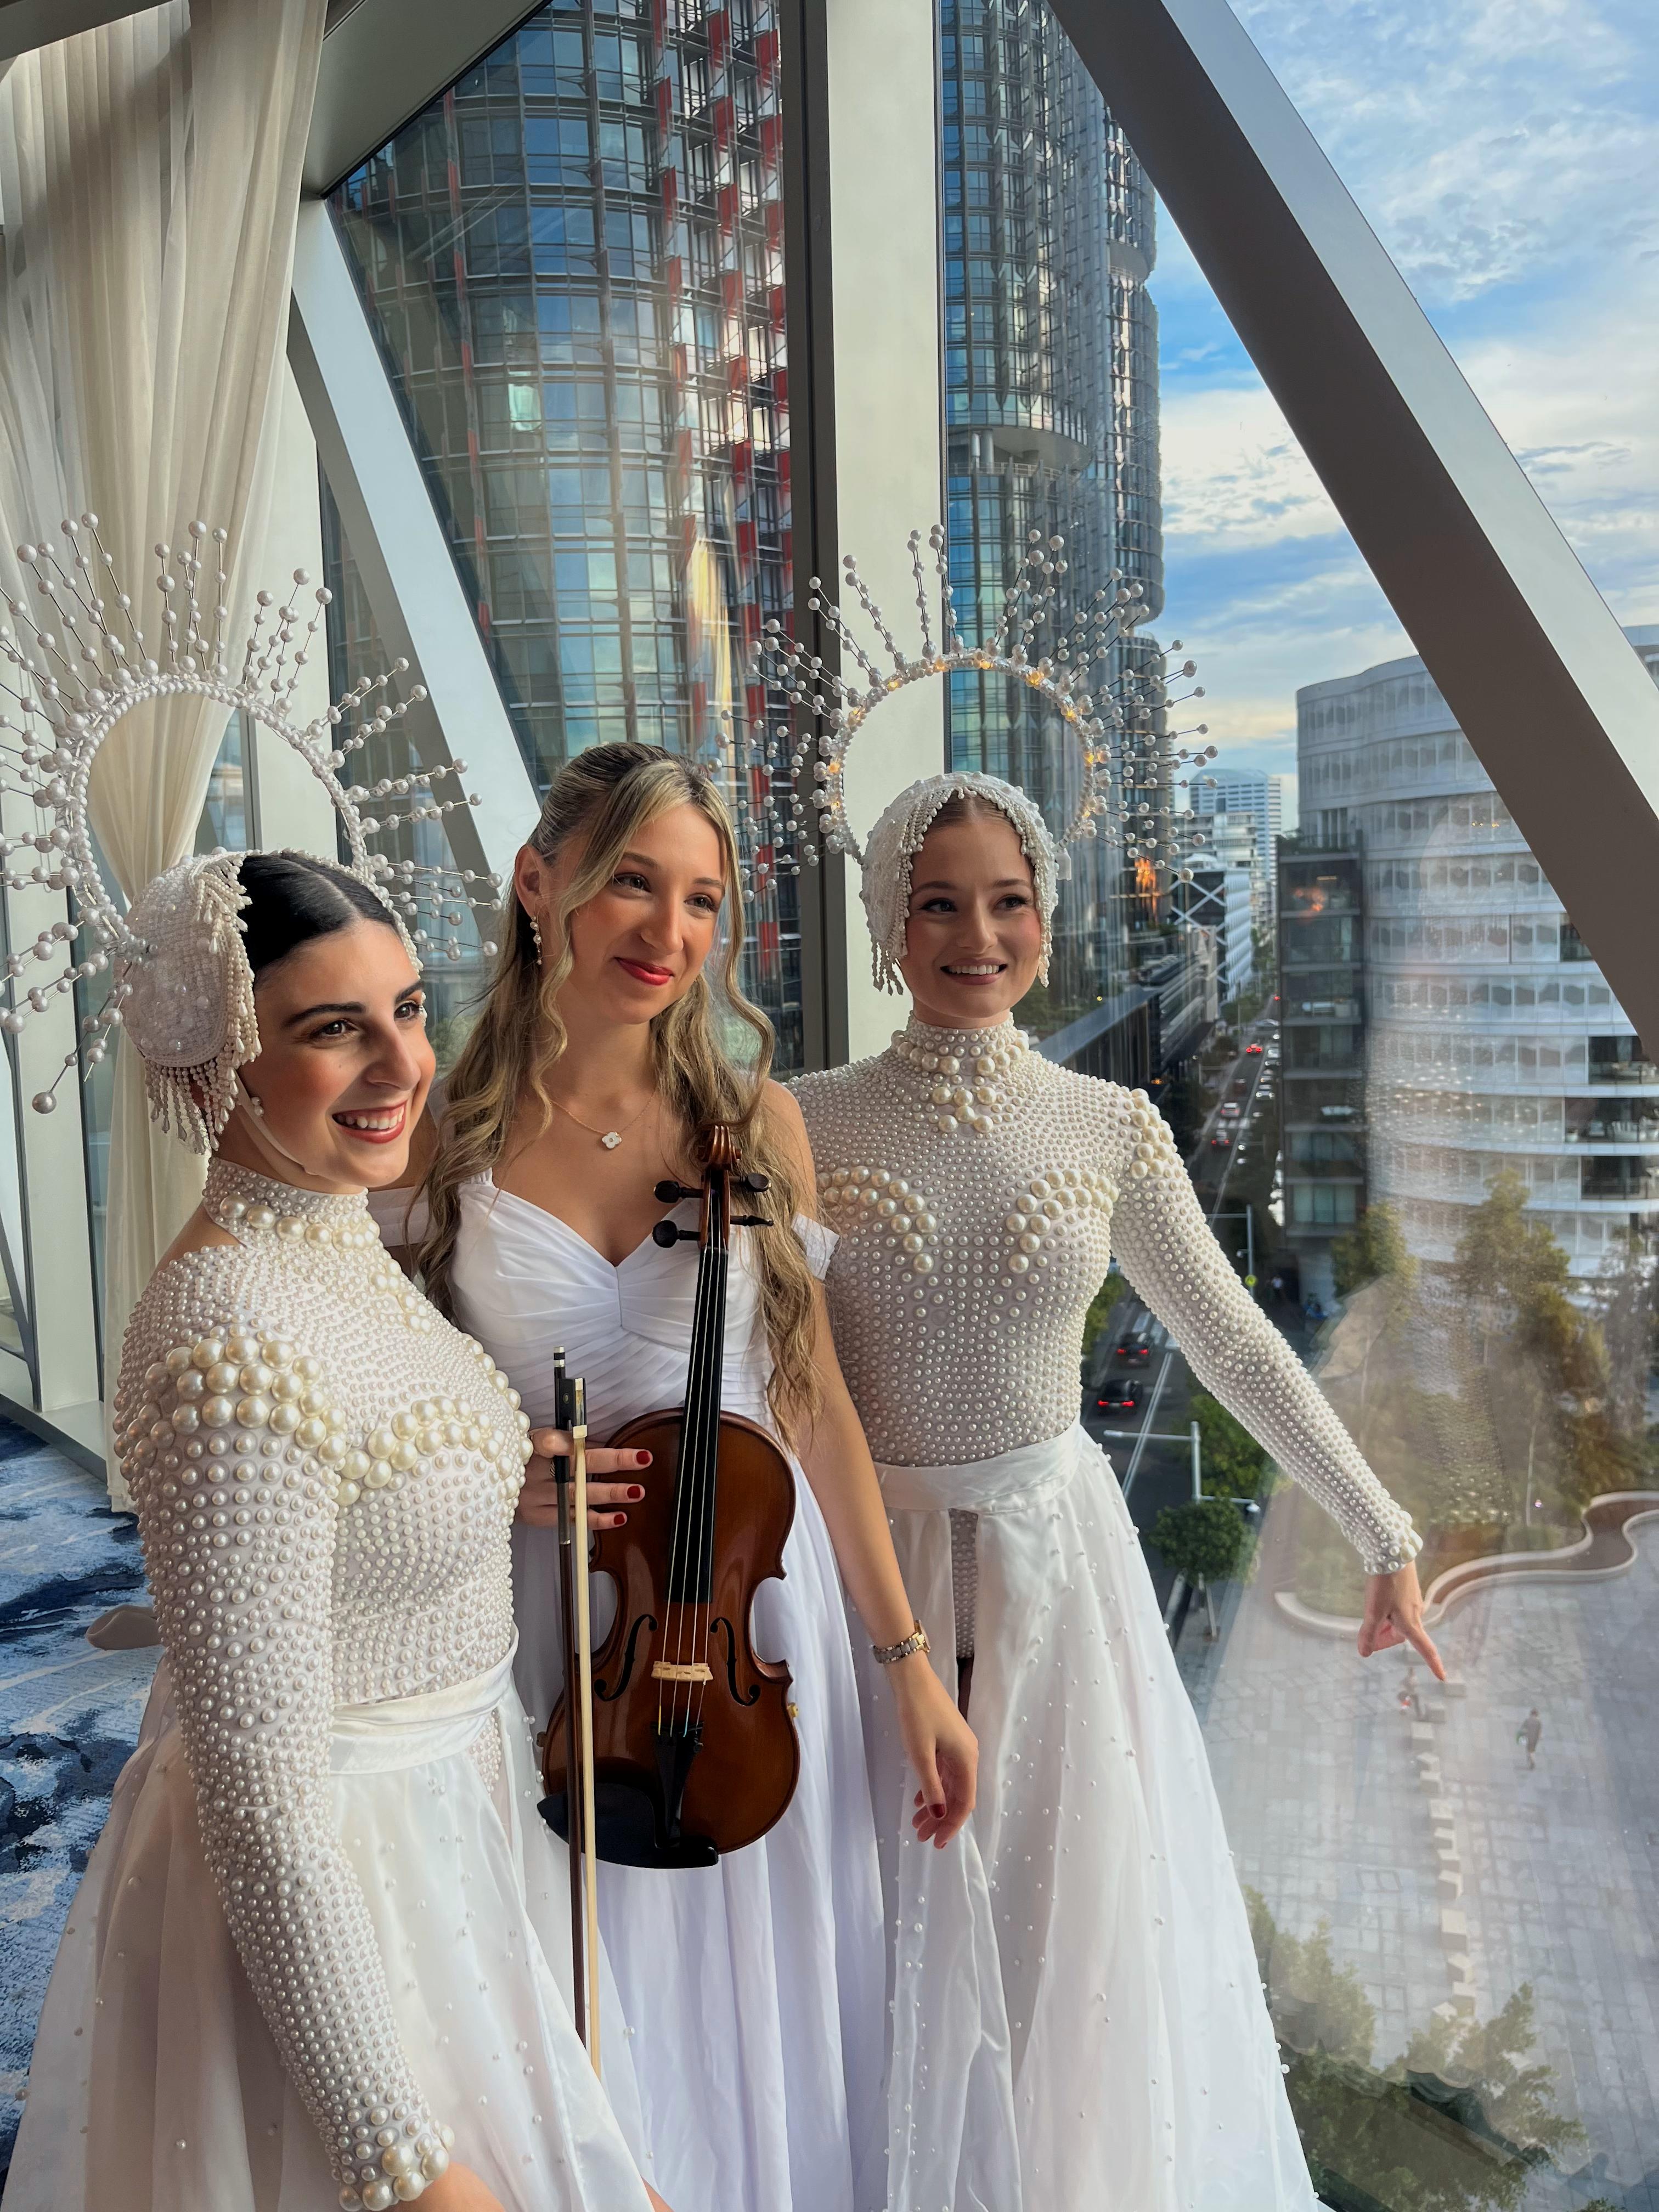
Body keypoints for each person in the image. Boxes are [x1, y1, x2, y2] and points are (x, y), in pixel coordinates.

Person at [792, 771, 1445, 2212]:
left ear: (1050, 915)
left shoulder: (1112, 1127)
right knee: (862, 1950)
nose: (979, 933)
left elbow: (1229, 1339)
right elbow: (748, 1372)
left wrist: (1380, 1529)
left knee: (1058, 1960)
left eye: (1009, 901)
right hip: (860, 1590)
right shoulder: (799, 1122)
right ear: (887, 924)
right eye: (939, 903)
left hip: (1059, 1587)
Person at [8, 850, 672, 2212]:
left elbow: (347, 1468)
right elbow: (261, 1807)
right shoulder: (228, 1339)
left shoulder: (329, 1234)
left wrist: (482, 1472)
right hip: (339, 1911)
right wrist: (406, 2166)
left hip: (441, 1851)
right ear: (219, 1063)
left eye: (410, 1010)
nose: (400, 1064)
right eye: (332, 1030)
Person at [377, 742, 977, 2212]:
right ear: (542, 884)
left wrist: (908, 1670)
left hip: (740, 1639)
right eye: (633, 883)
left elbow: (814, 1402)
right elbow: (381, 1400)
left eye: (703, 900)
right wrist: (478, 1463)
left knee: (761, 2021)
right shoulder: (437, 1129)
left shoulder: (755, 1126)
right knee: (569, 2008)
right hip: (546, 1634)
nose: (670, 932)